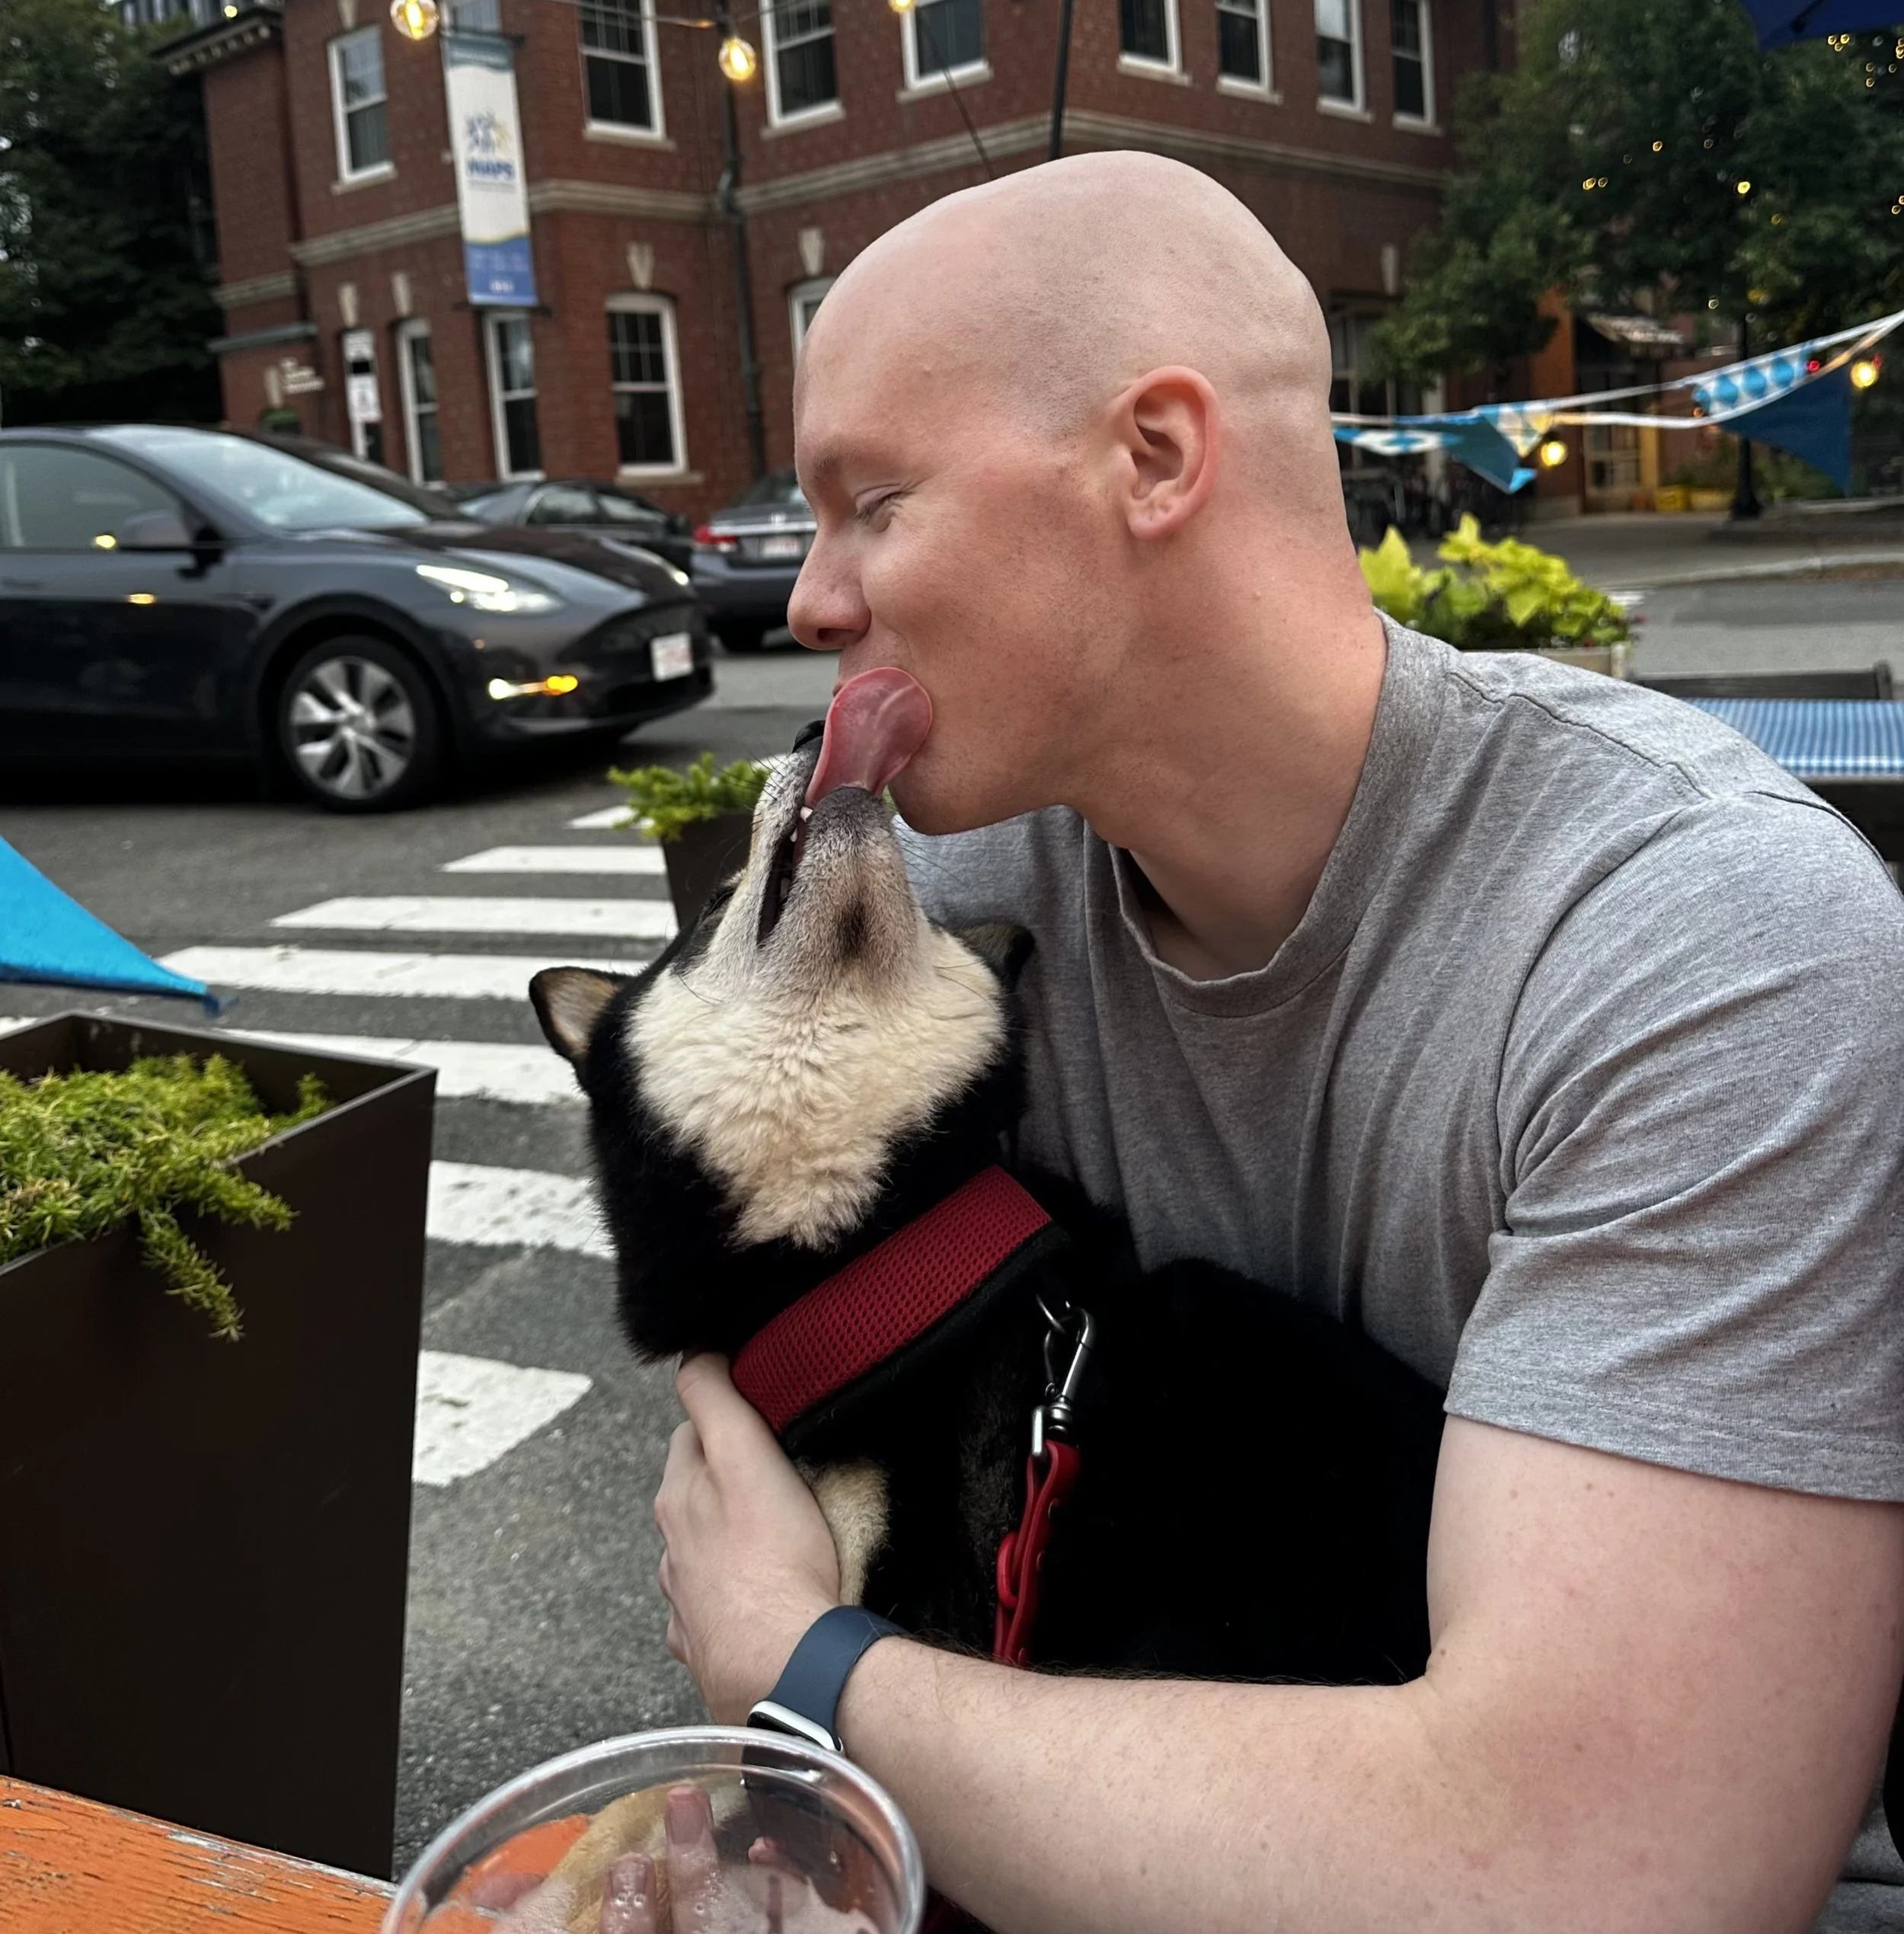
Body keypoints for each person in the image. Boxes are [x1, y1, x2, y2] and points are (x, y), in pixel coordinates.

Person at [653, 150, 1904, 1934]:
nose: (808, 603)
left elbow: (1609, 1875)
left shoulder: (1693, 935)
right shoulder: (935, 884)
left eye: (870, 504)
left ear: (1153, 458)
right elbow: (768, 1422)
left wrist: (807, 1678)